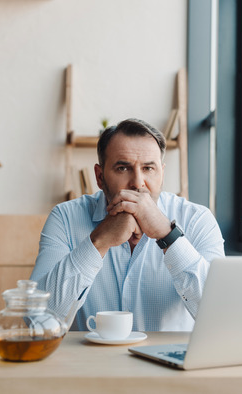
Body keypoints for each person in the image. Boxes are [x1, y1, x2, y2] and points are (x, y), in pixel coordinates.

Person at [30, 118, 224, 332]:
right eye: (123, 168)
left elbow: (220, 316)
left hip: (169, 363)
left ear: (162, 173)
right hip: (89, 364)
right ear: (100, 176)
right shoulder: (65, 218)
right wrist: (99, 241)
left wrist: (167, 235)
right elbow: (38, 320)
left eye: (149, 168)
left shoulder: (198, 220)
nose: (138, 182)